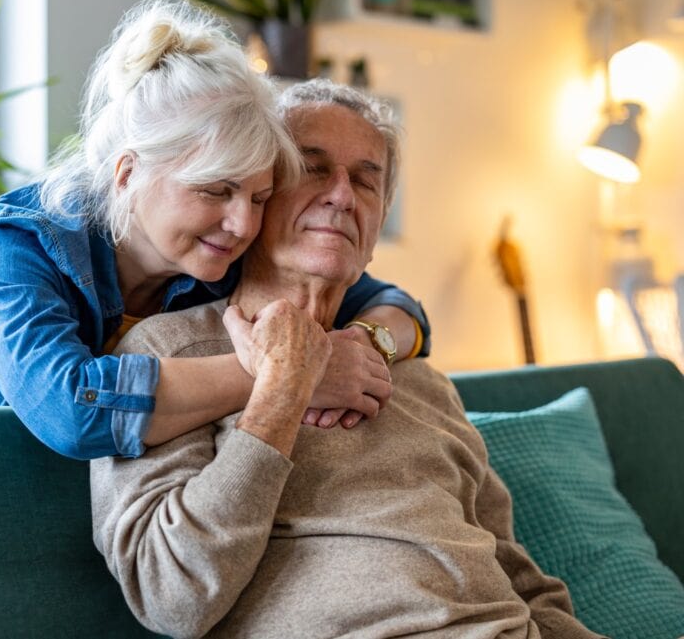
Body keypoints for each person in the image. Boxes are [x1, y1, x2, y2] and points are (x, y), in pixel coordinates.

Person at [91, 80, 603, 638]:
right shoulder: (165, 359)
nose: (342, 196)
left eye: (366, 180)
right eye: (312, 169)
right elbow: (172, 598)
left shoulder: (418, 378)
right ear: (256, 199)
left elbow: (518, 575)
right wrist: (281, 390)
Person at [0, 0, 430, 460]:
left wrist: (367, 342)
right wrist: (291, 375)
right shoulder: (15, 246)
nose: (243, 222)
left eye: (259, 197)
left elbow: (394, 304)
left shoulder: (215, 257)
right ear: (128, 173)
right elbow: (73, 409)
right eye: (214, 191)